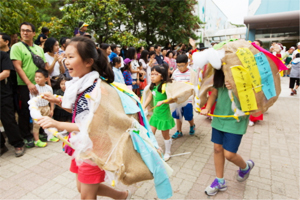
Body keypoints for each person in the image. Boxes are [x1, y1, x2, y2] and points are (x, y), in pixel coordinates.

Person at [37, 36, 130, 200]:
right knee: (82, 188)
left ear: (88, 62)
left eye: (71, 57)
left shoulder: (97, 89)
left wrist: (57, 124)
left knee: (87, 196)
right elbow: (78, 110)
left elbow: (90, 125)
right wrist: (57, 101)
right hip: (83, 144)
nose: (65, 61)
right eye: (65, 56)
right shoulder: (82, 83)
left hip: (95, 147)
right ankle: (121, 196)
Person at [200, 68, 254, 196]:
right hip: (219, 116)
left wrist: (236, 86)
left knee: (229, 154)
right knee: (217, 149)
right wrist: (207, 107)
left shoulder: (243, 70)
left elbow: (252, 95)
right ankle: (220, 181)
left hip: (236, 119)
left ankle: (245, 167)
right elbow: (214, 92)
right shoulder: (219, 72)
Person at [10, 22, 49, 148]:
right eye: (22, 30)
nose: (25, 33)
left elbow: (43, 68)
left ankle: (41, 131)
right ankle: (26, 136)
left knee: (41, 108)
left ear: (33, 33)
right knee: (25, 111)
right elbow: (18, 67)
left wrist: (46, 84)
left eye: (28, 30)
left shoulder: (38, 49)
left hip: (40, 85)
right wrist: (28, 83)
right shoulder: (17, 47)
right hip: (24, 85)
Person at [143, 65, 175, 161]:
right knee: (150, 133)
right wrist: (143, 107)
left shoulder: (165, 86)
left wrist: (164, 101)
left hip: (164, 115)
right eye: (151, 74)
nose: (152, 76)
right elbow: (149, 97)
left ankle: (168, 152)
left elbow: (173, 99)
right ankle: (153, 150)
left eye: (155, 74)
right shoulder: (153, 86)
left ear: (162, 76)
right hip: (155, 115)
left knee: (165, 135)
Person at [0, 51, 25, 157]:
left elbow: (6, 73)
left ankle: (18, 143)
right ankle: (1, 146)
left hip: (3, 94)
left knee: (8, 120)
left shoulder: (3, 55)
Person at [29, 69, 58, 147]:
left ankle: (51, 136)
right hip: (37, 109)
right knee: (36, 125)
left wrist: (51, 109)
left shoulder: (49, 88)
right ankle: (37, 140)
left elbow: (52, 100)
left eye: (39, 77)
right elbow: (32, 101)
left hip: (46, 107)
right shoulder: (34, 88)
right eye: (36, 77)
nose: (37, 78)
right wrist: (35, 111)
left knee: (48, 122)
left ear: (46, 79)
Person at [171, 54, 195, 139]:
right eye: (178, 66)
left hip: (188, 99)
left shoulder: (191, 73)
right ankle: (179, 131)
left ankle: (192, 125)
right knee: (178, 115)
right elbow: (173, 83)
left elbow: (194, 85)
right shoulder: (176, 72)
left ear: (187, 63)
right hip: (178, 99)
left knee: (188, 116)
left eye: (182, 66)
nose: (180, 68)